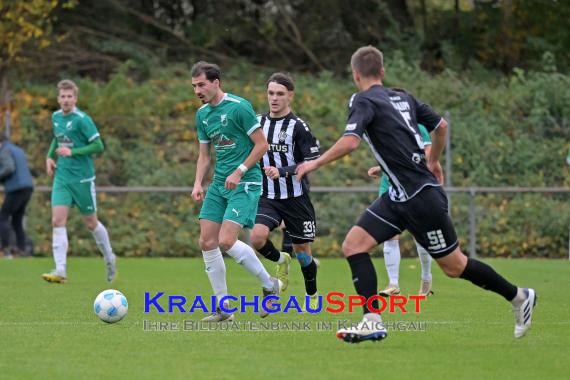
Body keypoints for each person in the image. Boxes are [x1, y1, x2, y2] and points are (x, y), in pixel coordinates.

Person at [297, 46, 536, 343]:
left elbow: (350, 142)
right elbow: (441, 126)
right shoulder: (403, 97)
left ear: (355, 74)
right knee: (354, 245)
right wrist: (432, 160)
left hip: (421, 198)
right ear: (382, 72)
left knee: (454, 266)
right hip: (399, 196)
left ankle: (519, 296)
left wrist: (314, 163)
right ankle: (371, 320)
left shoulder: (362, 99)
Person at [190, 61, 279, 322]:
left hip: (246, 182)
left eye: (202, 84)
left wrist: (239, 170)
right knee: (206, 241)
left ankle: (269, 284)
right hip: (219, 185)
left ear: (216, 82)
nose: (197, 90)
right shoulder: (202, 114)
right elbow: (204, 155)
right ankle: (223, 308)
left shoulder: (240, 108)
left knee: (226, 241)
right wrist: (197, 183)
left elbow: (262, 145)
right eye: (194, 86)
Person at [249, 73, 320, 311]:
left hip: (296, 198)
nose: (274, 98)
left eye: (280, 94)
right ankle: (281, 260)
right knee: (257, 238)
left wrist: (284, 171)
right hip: (268, 197)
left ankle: (312, 294)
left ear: (290, 96)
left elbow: (313, 160)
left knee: (304, 255)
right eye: (271, 93)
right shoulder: (258, 123)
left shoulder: (298, 127)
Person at [42, 79, 116, 284]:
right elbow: (57, 138)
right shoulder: (56, 117)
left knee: (91, 223)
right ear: (58, 99)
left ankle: (109, 257)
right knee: (57, 221)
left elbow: (98, 146)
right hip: (62, 177)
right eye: (63, 97)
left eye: (69, 97)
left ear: (75, 98)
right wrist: (50, 157)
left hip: (82, 179)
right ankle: (60, 270)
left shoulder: (83, 119)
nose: (66, 100)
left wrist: (72, 151)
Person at [369, 121, 433, 297]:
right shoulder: (384, 126)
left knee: (419, 234)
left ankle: (426, 277)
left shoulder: (419, 128)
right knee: (390, 233)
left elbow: (427, 157)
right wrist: (381, 169)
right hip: (388, 187)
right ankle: (393, 284)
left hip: (414, 187)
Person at [0, 134, 34, 259]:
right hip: (27, 187)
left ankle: (5, 249)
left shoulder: (4, 150)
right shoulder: (18, 150)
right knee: (17, 220)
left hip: (16, 188)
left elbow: (8, 167)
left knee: (2, 217)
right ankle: (21, 249)